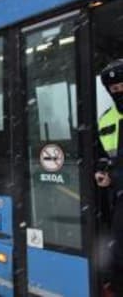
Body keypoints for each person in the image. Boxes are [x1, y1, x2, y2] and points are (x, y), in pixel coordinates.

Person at [96, 59, 123, 296]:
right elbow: (101, 155)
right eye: (114, 89)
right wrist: (102, 171)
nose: (119, 92)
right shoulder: (105, 119)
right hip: (118, 197)